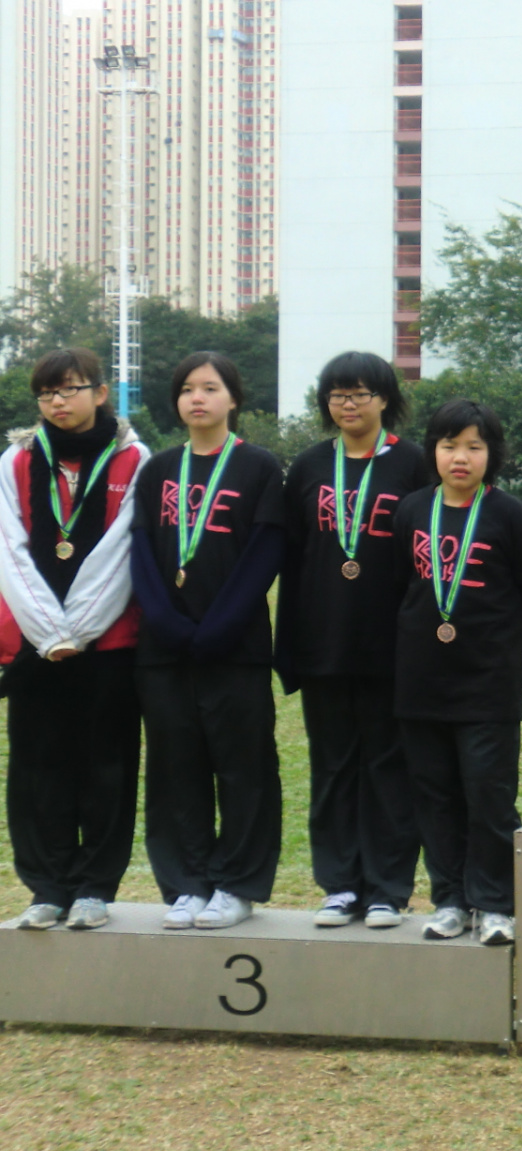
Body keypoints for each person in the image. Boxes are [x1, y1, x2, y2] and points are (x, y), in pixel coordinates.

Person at [129, 352, 286, 931]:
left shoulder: (259, 467)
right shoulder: (158, 470)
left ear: (233, 399)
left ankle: (237, 885)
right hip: (165, 651)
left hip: (235, 648)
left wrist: (218, 627)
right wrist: (167, 622)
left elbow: (264, 554)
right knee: (175, 767)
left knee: (244, 768)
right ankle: (187, 884)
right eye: (187, 389)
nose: (197, 398)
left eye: (210, 388)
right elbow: (141, 553)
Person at [277, 352, 431, 928]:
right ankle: (339, 886)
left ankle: (388, 888)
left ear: (385, 399)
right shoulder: (310, 466)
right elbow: (292, 560)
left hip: (393, 646)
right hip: (325, 642)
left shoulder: (413, 464)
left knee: (390, 769)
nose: (348, 404)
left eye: (360, 393)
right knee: (333, 767)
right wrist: (290, 646)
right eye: (337, 394)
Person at [392, 400, 522, 946]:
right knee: (435, 797)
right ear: (433, 451)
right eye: (449, 445)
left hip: (488, 684)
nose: (460, 457)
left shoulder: (510, 515)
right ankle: (450, 900)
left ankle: (496, 903)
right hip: (421, 682)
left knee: (488, 796)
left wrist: (502, 646)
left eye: (473, 447)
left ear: (491, 454)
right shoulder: (412, 510)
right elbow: (399, 588)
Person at [0, 349, 150, 931]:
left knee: (106, 765)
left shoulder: (134, 459)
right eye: (46, 393)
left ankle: (93, 887)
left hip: (106, 644)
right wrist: (48, 634)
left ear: (100, 393)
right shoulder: (16, 460)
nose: (57, 402)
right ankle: (48, 886)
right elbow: (9, 552)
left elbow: (122, 552)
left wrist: (76, 633)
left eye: (69, 389)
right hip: (34, 647)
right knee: (38, 767)